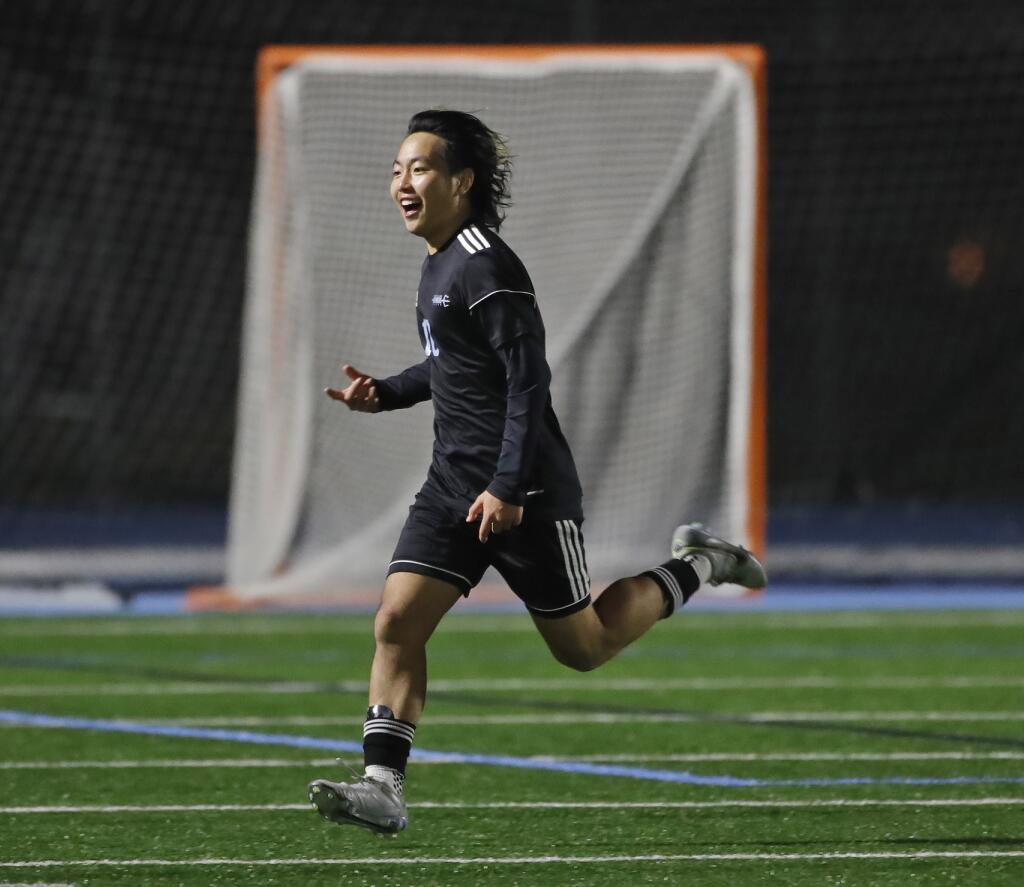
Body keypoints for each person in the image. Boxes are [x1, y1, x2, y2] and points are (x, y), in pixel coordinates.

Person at [307, 110, 766, 835]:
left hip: (527, 491)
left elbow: (527, 382)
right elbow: (453, 365)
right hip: (455, 485)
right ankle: (383, 787)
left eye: (419, 168)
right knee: (396, 619)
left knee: (585, 646)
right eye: (397, 169)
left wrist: (510, 486)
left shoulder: (485, 263)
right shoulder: (439, 263)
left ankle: (701, 563)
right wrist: (385, 393)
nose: (401, 182)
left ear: (462, 181)